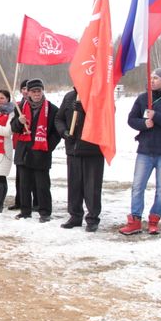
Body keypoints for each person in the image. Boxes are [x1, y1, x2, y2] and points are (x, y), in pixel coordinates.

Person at [118, 68, 161, 236]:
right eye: (151, 78)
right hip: (145, 150)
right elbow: (131, 119)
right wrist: (143, 124)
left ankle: (154, 219)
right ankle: (135, 220)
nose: (152, 81)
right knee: (138, 186)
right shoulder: (143, 98)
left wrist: (156, 116)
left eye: (156, 78)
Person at [55, 86, 105, 232]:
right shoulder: (69, 97)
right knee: (74, 186)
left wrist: (84, 109)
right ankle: (75, 215)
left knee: (92, 187)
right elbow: (59, 118)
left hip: (93, 150)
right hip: (73, 149)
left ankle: (92, 218)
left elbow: (105, 117)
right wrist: (64, 132)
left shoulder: (99, 95)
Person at [10, 79, 60, 221]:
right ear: (28, 93)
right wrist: (19, 122)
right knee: (24, 184)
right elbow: (13, 128)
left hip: (41, 153)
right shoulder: (20, 108)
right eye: (33, 91)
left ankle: (45, 212)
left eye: (39, 91)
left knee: (42, 185)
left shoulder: (52, 109)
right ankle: (25, 211)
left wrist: (47, 146)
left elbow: (56, 133)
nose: (37, 94)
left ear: (43, 91)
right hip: (24, 152)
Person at [7, 79, 29, 211]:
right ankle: (19, 201)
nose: (26, 91)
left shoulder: (44, 105)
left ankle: (36, 201)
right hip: (20, 143)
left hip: (35, 144)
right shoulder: (18, 105)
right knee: (20, 176)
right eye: (24, 89)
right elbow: (13, 126)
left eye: (28, 88)